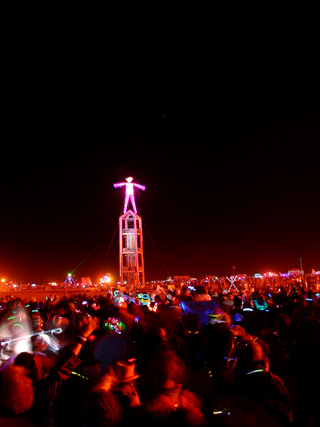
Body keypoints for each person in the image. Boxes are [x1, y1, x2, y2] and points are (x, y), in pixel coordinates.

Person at [0, 314, 99, 425]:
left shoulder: (4, 392)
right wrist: (82, 337)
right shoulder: (39, 393)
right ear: (32, 371)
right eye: (37, 365)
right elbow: (63, 368)